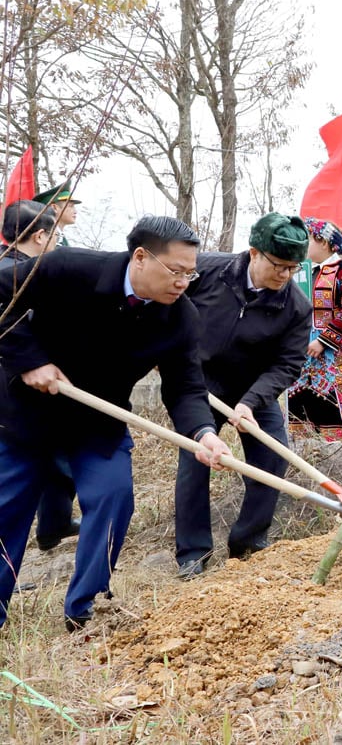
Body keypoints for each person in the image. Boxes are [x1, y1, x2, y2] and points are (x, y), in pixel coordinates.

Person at [0, 216, 231, 632]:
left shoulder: (180, 317)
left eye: (190, 273)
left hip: (97, 423)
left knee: (114, 497)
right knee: (7, 515)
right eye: (175, 271)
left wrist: (204, 433)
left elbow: (185, 388)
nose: (183, 282)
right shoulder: (68, 269)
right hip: (24, 418)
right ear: (140, 257)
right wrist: (29, 361)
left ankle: (86, 610)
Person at [174, 213, 311, 580]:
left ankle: (247, 542)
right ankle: (193, 551)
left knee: (271, 460)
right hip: (202, 384)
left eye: (292, 268)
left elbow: (288, 364)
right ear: (254, 253)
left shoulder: (296, 307)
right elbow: (168, 304)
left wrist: (250, 402)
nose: (285, 275)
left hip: (255, 390)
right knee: (195, 459)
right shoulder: (205, 272)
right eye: (278, 265)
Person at [0, 201, 80, 555]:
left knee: (56, 460)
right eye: (55, 234)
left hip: (36, 397)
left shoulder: (26, 269)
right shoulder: (13, 276)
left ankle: (54, 524)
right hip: (14, 399)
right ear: (41, 235)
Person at [288, 217, 342, 441]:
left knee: (331, 409)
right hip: (301, 353)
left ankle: (337, 461)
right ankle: (304, 461)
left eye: (307, 240)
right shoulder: (299, 272)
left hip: (336, 353)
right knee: (300, 408)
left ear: (323, 242)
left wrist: (324, 341)